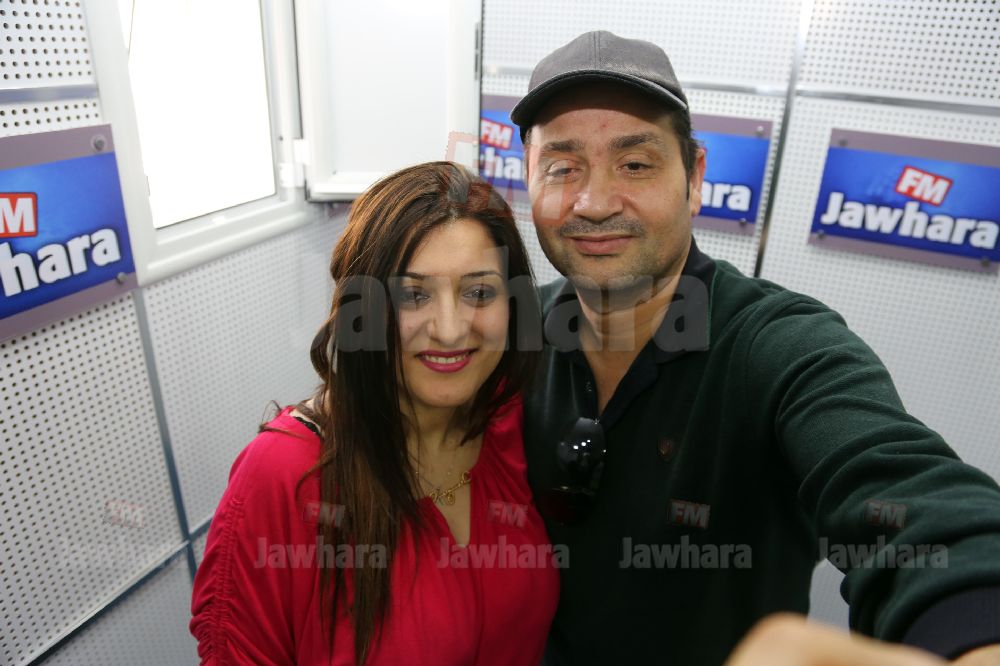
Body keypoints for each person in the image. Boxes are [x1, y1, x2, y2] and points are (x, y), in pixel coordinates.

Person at [511, 30, 1000, 665]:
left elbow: (912, 504)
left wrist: (973, 632)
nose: (596, 202)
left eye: (635, 164)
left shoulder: (780, 347)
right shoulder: (512, 331)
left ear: (695, 178)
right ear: (529, 180)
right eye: (562, 167)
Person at [190, 162, 559, 664]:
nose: (450, 329)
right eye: (413, 294)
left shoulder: (510, 421)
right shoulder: (283, 476)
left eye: (478, 292)